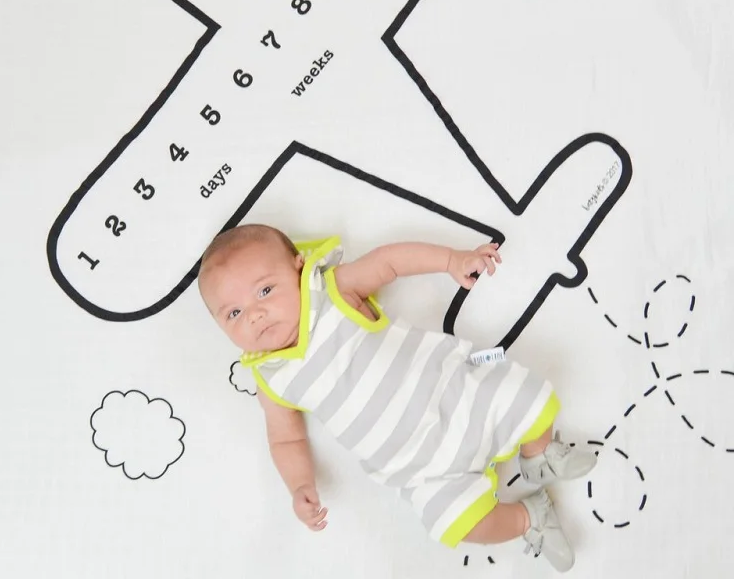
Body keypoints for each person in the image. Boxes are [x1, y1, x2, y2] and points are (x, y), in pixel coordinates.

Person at [198, 224, 596, 572]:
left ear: (298, 267)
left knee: (527, 400)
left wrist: (451, 260)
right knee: (455, 524)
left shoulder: (333, 292)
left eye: (265, 291)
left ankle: (538, 457)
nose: (254, 315)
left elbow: (388, 262)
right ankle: (530, 517)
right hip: (419, 468)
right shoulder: (271, 377)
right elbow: (286, 439)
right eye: (233, 314)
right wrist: (299, 484)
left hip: (457, 395)